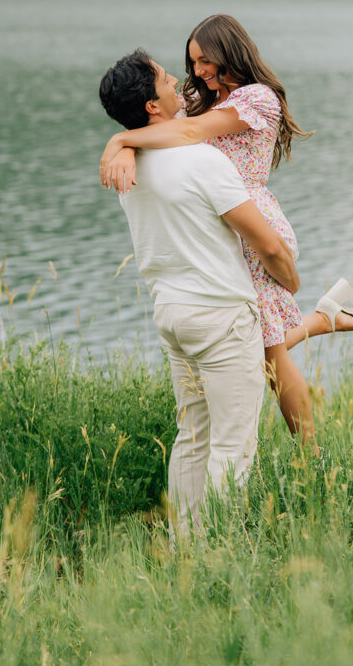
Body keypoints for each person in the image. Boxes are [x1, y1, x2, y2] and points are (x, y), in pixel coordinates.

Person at [100, 14, 353, 447]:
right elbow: (171, 131)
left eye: (204, 60)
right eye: (192, 62)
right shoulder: (206, 101)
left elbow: (188, 132)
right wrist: (128, 142)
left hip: (251, 225)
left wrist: (119, 142)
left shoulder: (257, 99)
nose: (197, 72)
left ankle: (312, 459)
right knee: (260, 344)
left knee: (268, 353)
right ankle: (325, 320)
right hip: (222, 226)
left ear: (229, 51)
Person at [99, 48, 301, 538]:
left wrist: (119, 142)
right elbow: (266, 243)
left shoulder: (132, 166)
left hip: (171, 316)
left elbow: (172, 128)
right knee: (233, 447)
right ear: (152, 106)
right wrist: (290, 281)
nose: (179, 85)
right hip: (220, 317)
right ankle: (218, 555)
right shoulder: (202, 161)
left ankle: (184, 547)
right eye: (168, 81)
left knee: (192, 438)